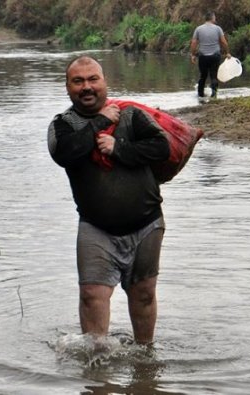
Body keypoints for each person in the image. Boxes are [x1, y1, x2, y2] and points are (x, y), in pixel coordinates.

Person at [48, 56, 170, 345]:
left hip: (147, 223)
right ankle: (97, 368)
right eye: (78, 81)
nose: (86, 87)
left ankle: (145, 358)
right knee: (91, 295)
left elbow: (161, 147)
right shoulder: (62, 125)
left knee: (144, 293)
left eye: (93, 79)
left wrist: (119, 148)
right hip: (95, 228)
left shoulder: (131, 115)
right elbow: (66, 153)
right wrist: (102, 121)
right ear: (67, 88)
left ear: (105, 82)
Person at [190, 11, 231, 99]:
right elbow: (223, 42)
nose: (215, 19)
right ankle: (214, 95)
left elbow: (193, 43)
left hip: (203, 57)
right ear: (212, 18)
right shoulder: (218, 29)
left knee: (203, 76)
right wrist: (227, 52)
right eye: (214, 17)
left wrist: (193, 55)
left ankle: (200, 95)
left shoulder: (198, 29)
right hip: (215, 56)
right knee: (213, 75)